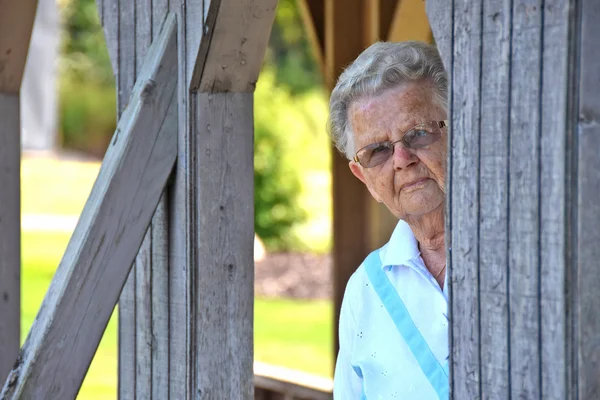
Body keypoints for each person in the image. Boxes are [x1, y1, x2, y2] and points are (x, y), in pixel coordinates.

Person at [329, 41, 449, 399]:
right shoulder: (365, 289)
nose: (401, 158)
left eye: (418, 133)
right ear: (364, 177)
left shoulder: (524, 258)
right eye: (377, 150)